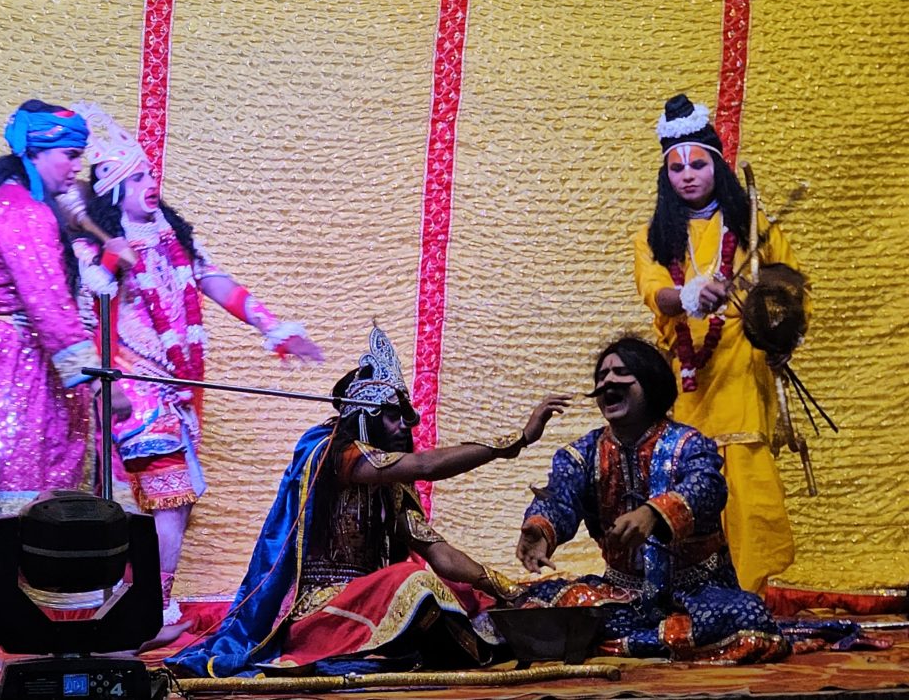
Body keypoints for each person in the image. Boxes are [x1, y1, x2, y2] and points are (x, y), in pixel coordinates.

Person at [169, 325, 567, 677]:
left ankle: (477, 642)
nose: (404, 426)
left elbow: (438, 551)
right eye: (394, 415)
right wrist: (516, 441)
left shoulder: (391, 484)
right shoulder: (328, 453)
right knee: (413, 580)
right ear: (366, 415)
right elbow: (426, 466)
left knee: (467, 593)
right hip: (318, 609)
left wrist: (505, 587)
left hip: (371, 601)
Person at [69, 103, 324, 631]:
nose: (150, 184)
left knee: (172, 501)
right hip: (129, 383)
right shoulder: (95, 246)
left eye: (150, 174)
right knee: (164, 497)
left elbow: (216, 282)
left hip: (175, 388)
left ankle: (143, 605)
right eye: (136, 178)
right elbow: (87, 315)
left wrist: (273, 326)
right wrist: (110, 259)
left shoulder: (173, 236)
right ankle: (143, 609)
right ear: (113, 191)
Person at [0, 100, 132, 670]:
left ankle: (66, 634)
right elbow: (50, 307)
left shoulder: (18, 204)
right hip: (14, 371)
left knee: (14, 496)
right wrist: (100, 383)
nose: (75, 167)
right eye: (69, 155)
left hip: (15, 365)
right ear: (36, 152)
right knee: (7, 500)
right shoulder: (23, 212)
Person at [516, 336, 789, 664]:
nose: (608, 381)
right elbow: (560, 497)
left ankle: (616, 642)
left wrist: (654, 513)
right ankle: (654, 641)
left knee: (749, 617)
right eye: (602, 376)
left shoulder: (689, 443)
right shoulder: (583, 454)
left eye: (621, 373)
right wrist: (540, 529)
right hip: (622, 596)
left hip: (697, 595)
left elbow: (707, 487)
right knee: (534, 604)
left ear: (651, 382)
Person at [632, 93, 806, 594]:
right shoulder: (652, 237)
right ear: (665, 175)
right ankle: (693, 596)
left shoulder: (753, 227)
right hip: (688, 382)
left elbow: (792, 292)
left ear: (717, 166)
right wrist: (689, 295)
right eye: (677, 168)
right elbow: (655, 293)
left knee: (748, 488)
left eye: (698, 164)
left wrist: (780, 334)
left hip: (742, 373)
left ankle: (749, 597)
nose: (687, 175)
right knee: (690, 481)